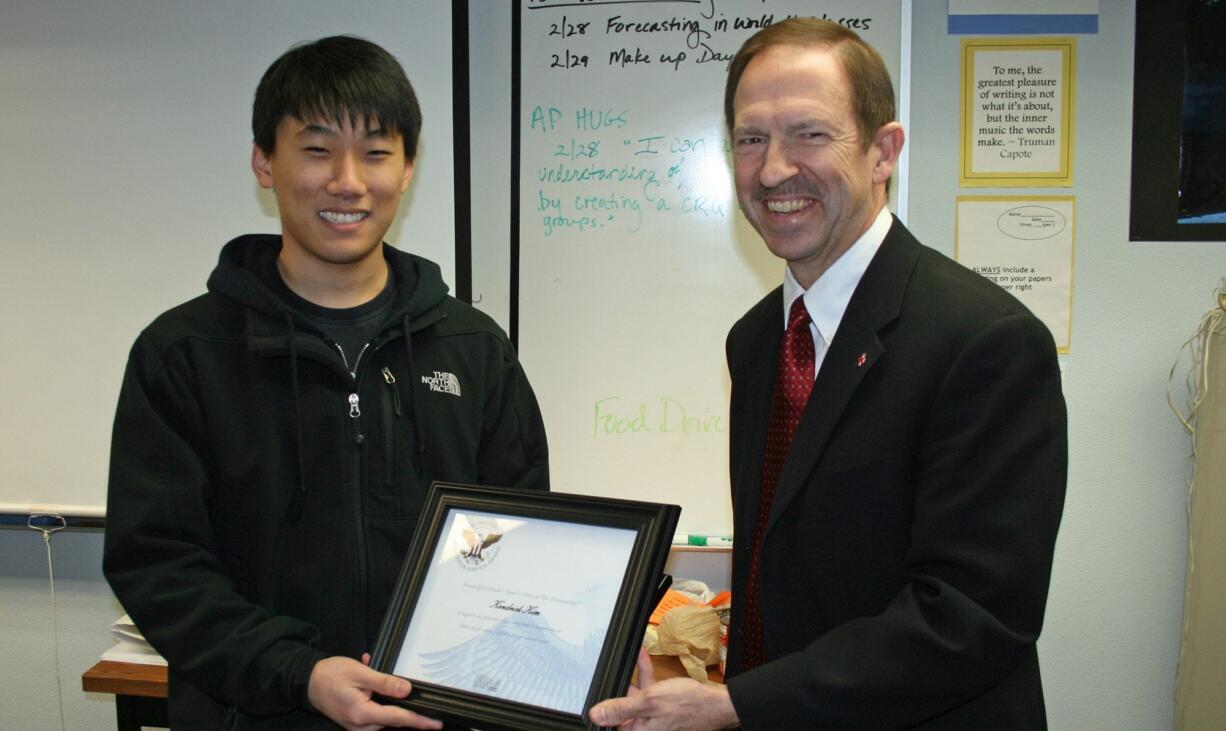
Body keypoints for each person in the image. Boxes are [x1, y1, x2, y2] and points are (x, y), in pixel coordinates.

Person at [590, 18, 1066, 730]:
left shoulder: (985, 342)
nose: (775, 169)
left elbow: (970, 617)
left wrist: (740, 704)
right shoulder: (756, 341)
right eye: (751, 139)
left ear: (883, 151)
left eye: (809, 134)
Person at [103, 36, 549, 730]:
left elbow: (520, 534)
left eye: (376, 152)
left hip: (435, 715)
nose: (348, 181)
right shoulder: (186, 354)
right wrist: (299, 673)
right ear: (264, 162)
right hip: (255, 713)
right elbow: (159, 566)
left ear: (407, 170)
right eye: (316, 150)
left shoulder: (474, 349)